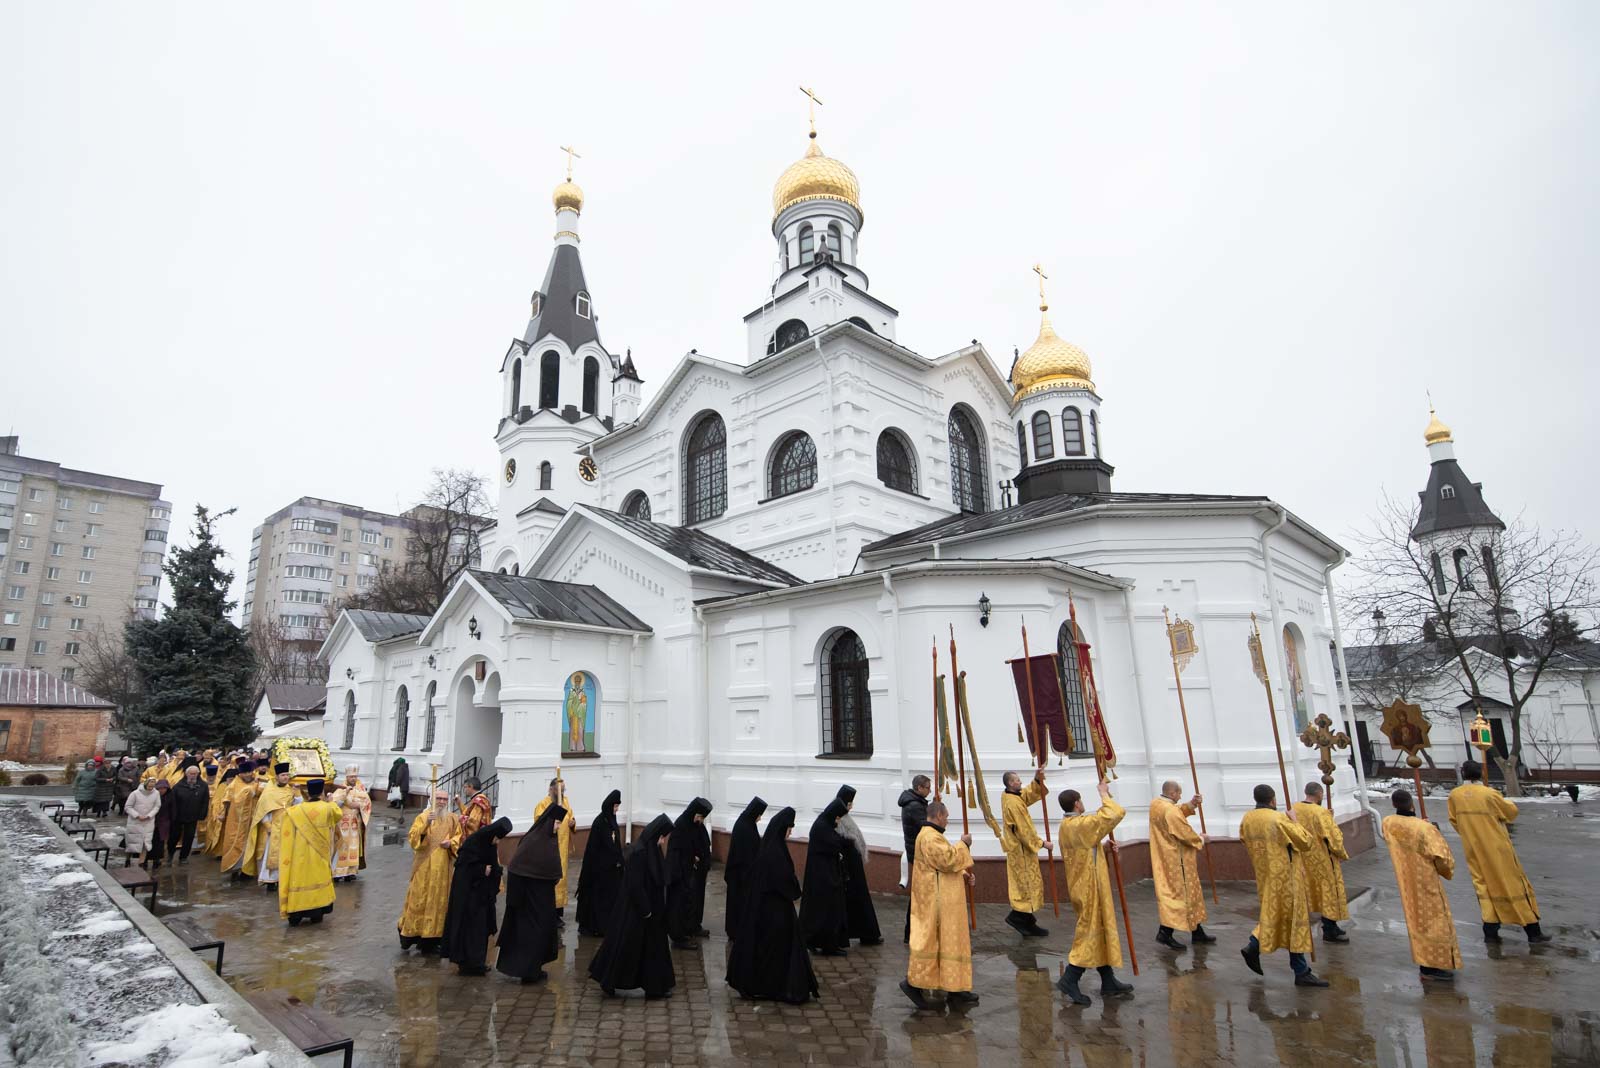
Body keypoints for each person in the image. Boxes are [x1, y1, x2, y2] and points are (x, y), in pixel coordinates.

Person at [1448, 759, 1551, 945]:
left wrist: (1472, 834)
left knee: (1484, 887)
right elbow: (1511, 812)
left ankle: (1490, 932)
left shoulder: (1455, 795)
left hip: (1473, 848)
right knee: (1513, 886)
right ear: (1481, 774)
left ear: (1463, 774)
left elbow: (1454, 821)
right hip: (1497, 847)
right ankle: (1533, 932)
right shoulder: (1489, 794)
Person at [1239, 784, 1328, 987]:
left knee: (1277, 917)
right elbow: (1305, 842)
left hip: (1265, 875)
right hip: (1287, 878)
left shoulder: (1248, 818)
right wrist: (1295, 821)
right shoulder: (1278, 819)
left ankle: (1299, 968)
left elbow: (1244, 840)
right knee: (1294, 922)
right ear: (1272, 800)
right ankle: (1259, 947)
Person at [727, 807, 818, 1004]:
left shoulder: (771, 848)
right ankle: (773, 986)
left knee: (771, 951)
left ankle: (769, 985)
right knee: (773, 951)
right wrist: (794, 891)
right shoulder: (774, 853)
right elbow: (782, 879)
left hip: (771, 910)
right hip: (773, 912)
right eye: (789, 828)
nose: (791, 832)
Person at [1054, 782, 1133, 1005]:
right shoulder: (1080, 824)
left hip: (1083, 883)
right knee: (1088, 932)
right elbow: (1115, 813)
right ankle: (1070, 977)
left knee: (1100, 929)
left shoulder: (1067, 825)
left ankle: (1108, 980)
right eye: (1080, 800)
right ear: (1077, 803)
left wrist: (1104, 848)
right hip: (1089, 887)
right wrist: (1103, 793)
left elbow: (1087, 848)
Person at [590, 813, 676, 999]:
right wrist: (646, 910)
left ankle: (656, 986)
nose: (662, 842)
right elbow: (635, 885)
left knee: (650, 950)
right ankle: (609, 980)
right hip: (636, 911)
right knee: (625, 947)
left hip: (650, 913)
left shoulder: (651, 850)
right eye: (662, 837)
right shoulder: (640, 853)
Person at [902, 800, 977, 1010]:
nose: (947, 820)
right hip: (936, 902)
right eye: (946, 817)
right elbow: (947, 860)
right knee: (933, 943)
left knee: (951, 944)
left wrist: (963, 874)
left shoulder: (934, 836)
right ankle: (914, 984)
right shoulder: (928, 836)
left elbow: (940, 868)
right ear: (937, 816)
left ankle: (956, 987)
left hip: (945, 900)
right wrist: (964, 844)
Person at [1384, 788, 1461, 982]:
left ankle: (1425, 962)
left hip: (1406, 881)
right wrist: (1431, 829)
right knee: (1435, 921)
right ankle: (1430, 966)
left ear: (1394, 805)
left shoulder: (1388, 823)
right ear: (1412, 804)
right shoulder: (1425, 829)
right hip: (1426, 881)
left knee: (1416, 921)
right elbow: (1443, 859)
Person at [498, 801, 567, 983]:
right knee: (530, 936)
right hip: (528, 903)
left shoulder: (548, 839)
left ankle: (535, 968)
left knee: (541, 934)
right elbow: (515, 868)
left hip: (542, 900)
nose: (559, 826)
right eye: (557, 822)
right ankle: (528, 972)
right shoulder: (534, 840)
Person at [444, 816, 514, 976]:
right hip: (468, 899)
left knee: (481, 931)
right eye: (497, 838)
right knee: (469, 931)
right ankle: (467, 963)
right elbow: (463, 871)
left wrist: (494, 872)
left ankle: (477, 963)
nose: (497, 841)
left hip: (482, 897)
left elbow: (494, 866)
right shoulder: (473, 843)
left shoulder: (489, 844)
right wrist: (482, 870)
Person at [1149, 780, 1213, 950]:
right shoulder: (1170, 810)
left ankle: (1197, 931)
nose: (1180, 796)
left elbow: (1175, 814)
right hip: (1178, 860)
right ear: (1172, 794)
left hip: (1165, 857)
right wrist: (1201, 839)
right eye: (1178, 794)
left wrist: (1191, 804)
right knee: (1180, 896)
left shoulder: (1156, 804)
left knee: (1189, 895)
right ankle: (1165, 933)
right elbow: (1183, 832)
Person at [398, 788, 460, 953]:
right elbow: (413, 839)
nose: (441, 802)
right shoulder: (423, 817)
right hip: (423, 867)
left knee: (439, 902)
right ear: (432, 799)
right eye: (438, 798)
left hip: (443, 869)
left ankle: (434, 939)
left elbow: (459, 837)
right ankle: (412, 935)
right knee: (419, 899)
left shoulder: (453, 819)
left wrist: (451, 843)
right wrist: (426, 824)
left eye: (444, 799)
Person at [1292, 782, 1351, 943]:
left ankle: (1329, 926)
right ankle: (1329, 928)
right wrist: (1341, 853)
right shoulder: (1320, 813)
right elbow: (1332, 837)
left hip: (1305, 859)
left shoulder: (1294, 809)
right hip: (1324, 860)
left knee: (1315, 891)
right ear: (1319, 793)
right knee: (1329, 894)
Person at [278, 779, 342, 926]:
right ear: (322, 793)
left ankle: (296, 912)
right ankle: (317, 913)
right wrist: (331, 801)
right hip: (319, 855)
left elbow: (287, 835)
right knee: (318, 879)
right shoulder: (327, 808)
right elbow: (338, 814)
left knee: (299, 879)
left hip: (299, 855)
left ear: (308, 792)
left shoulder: (295, 811)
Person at [999, 768, 1051, 938]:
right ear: (1010, 783)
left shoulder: (1011, 796)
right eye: (1017, 780)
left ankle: (1028, 922)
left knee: (1028, 886)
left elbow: (1027, 795)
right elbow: (1024, 830)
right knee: (1026, 886)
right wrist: (1042, 843)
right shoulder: (1012, 803)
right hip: (1021, 850)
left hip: (1022, 850)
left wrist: (1037, 779)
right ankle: (1018, 918)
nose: (1020, 782)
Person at [799, 798, 851, 956]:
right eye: (837, 817)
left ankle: (828, 943)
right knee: (825, 911)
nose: (838, 820)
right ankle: (823, 944)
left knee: (828, 911)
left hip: (826, 874)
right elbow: (834, 844)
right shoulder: (822, 827)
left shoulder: (825, 823)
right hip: (823, 877)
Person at [835, 785, 883, 945]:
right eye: (849, 803)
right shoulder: (837, 819)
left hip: (855, 867)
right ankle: (865, 934)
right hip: (849, 869)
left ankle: (867, 933)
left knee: (860, 900)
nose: (851, 806)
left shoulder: (844, 817)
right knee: (856, 901)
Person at [576, 789, 626, 937]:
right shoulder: (600, 822)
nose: (616, 810)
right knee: (597, 900)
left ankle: (607, 925)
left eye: (618, 807)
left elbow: (615, 844)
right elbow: (595, 849)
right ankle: (595, 926)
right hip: (598, 871)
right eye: (615, 806)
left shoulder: (611, 821)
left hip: (610, 870)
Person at [666, 797, 713, 948]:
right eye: (699, 817)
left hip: (694, 873)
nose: (700, 820)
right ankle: (679, 936)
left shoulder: (696, 825)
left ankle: (692, 926)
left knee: (695, 901)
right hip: (681, 874)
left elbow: (702, 842)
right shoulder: (681, 825)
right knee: (680, 904)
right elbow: (678, 852)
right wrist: (693, 858)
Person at [243, 763, 298, 887]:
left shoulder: (291, 790)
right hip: (274, 827)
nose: (285, 777)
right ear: (277, 777)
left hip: (288, 826)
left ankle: (284, 879)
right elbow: (263, 811)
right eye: (283, 775)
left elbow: (298, 806)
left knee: (288, 853)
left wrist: (297, 793)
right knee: (271, 853)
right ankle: (270, 880)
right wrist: (268, 826)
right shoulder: (269, 792)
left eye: (287, 775)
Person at [532, 778, 578, 925]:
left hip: (562, 847)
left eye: (564, 789)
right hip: (549, 847)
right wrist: (552, 824)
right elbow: (539, 822)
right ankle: (549, 913)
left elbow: (571, 816)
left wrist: (572, 823)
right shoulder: (543, 804)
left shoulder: (565, 802)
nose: (562, 792)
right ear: (552, 789)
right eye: (560, 790)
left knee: (562, 879)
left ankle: (558, 913)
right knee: (551, 880)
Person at [722, 796, 767, 941]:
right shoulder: (744, 827)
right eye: (759, 815)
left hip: (743, 873)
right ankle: (737, 931)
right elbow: (745, 854)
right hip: (740, 874)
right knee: (738, 903)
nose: (760, 818)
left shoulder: (747, 823)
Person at [897, 774, 931, 943]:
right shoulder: (914, 806)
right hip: (919, 854)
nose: (930, 790)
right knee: (919, 893)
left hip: (916, 852)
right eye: (927, 787)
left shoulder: (915, 803)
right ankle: (911, 931)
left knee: (920, 893)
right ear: (919, 788)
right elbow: (927, 825)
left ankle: (914, 930)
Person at [219, 762, 262, 878]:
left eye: (249, 772)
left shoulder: (257, 783)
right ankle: (234, 868)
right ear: (241, 773)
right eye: (245, 773)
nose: (248, 775)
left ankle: (246, 870)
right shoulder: (233, 785)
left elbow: (261, 794)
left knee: (250, 844)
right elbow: (227, 800)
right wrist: (222, 813)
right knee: (234, 843)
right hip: (235, 821)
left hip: (251, 820)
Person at [332, 765, 371, 881]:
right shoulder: (341, 788)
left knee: (353, 847)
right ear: (347, 777)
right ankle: (338, 873)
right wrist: (345, 798)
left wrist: (359, 805)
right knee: (341, 847)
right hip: (343, 823)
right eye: (351, 777)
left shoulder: (361, 789)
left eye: (355, 776)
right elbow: (334, 802)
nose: (353, 779)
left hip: (355, 823)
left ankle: (350, 872)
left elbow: (367, 802)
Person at [168, 765, 211, 863]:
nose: (193, 776)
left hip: (193, 815)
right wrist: (172, 815)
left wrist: (202, 814)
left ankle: (183, 857)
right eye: (191, 774)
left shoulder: (203, 785)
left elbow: (205, 801)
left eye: (195, 774)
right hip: (178, 815)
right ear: (186, 774)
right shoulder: (178, 785)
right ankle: (170, 854)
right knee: (174, 836)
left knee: (189, 837)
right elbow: (173, 801)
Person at [125, 775, 162, 869]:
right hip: (135, 822)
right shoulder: (135, 793)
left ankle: (141, 863)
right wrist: (137, 815)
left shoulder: (156, 793)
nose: (150, 788)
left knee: (145, 843)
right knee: (132, 843)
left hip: (148, 821)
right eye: (149, 786)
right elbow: (128, 807)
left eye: (152, 787)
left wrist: (150, 815)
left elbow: (157, 806)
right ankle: (128, 859)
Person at [204, 766, 237, 855]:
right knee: (221, 834)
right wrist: (220, 812)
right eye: (230, 779)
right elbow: (217, 801)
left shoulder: (238, 787)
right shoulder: (222, 786)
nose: (232, 781)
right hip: (222, 813)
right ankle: (220, 852)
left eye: (234, 779)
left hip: (234, 814)